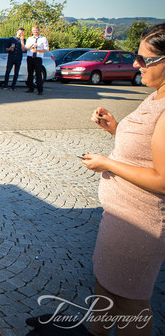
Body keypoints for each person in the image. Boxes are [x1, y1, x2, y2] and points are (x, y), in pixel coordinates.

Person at [81, 23, 165, 335]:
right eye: (137, 57)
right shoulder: (157, 94)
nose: (135, 64)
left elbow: (162, 179)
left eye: (145, 60)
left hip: (141, 224)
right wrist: (116, 129)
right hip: (122, 219)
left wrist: (108, 163)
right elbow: (150, 150)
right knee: (104, 295)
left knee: (131, 305)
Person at [23, 25, 49, 95]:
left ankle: (40, 90)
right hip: (30, 57)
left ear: (38, 30)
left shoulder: (43, 39)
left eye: (36, 30)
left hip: (38, 57)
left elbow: (46, 49)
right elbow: (25, 48)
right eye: (34, 30)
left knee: (38, 74)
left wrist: (38, 50)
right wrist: (32, 45)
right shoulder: (29, 38)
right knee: (30, 73)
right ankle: (30, 88)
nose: (35, 32)